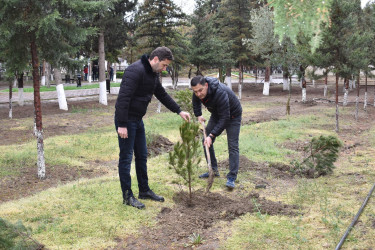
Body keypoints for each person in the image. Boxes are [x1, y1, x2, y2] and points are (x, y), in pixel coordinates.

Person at [115, 47, 190, 209]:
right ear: (155, 59)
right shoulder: (135, 71)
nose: (164, 69)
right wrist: (122, 124)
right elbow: (123, 98)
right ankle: (127, 196)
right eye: (164, 65)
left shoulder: (153, 75)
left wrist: (179, 110)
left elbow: (162, 95)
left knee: (142, 155)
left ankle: (144, 190)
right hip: (126, 121)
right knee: (126, 158)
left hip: (137, 120)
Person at [190, 75, 242, 189]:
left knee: (232, 145)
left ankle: (232, 177)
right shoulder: (197, 92)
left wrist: (212, 135)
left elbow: (225, 118)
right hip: (217, 113)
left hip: (233, 115)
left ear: (206, 85)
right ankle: (213, 170)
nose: (198, 94)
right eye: (195, 91)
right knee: (206, 141)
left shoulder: (219, 92)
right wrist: (198, 114)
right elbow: (195, 101)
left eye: (200, 90)